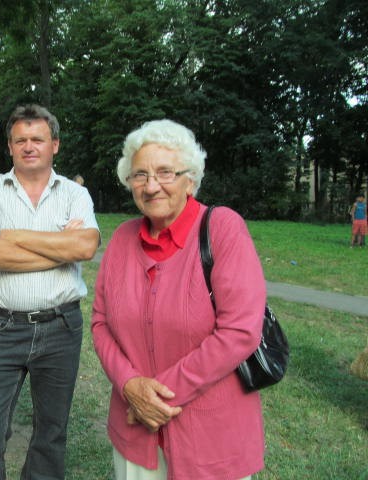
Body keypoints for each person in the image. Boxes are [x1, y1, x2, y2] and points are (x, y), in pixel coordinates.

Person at [91, 119, 266, 480]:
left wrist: (155, 399)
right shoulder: (122, 239)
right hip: (135, 434)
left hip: (211, 439)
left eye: (165, 172)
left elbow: (240, 331)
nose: (151, 185)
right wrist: (129, 385)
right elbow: (100, 323)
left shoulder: (223, 228)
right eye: (140, 175)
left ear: (190, 179)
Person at [0, 104, 100, 480]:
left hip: (61, 326)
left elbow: (85, 247)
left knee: (51, 432)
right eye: (20, 140)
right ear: (9, 146)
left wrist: (13, 235)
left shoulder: (74, 193)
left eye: (37, 139)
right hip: (4, 327)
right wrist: (59, 247)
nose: (29, 146)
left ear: (54, 144)